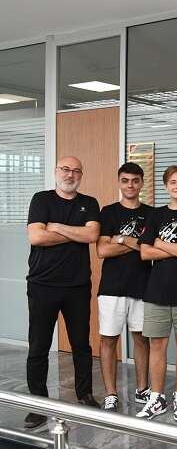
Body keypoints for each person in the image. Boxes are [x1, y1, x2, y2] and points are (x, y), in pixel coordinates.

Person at [25, 156, 101, 428]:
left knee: (81, 345)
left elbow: (92, 236)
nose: (70, 175)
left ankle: (85, 395)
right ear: (56, 171)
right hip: (42, 285)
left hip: (77, 286)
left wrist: (56, 227)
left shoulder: (89, 203)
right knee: (38, 346)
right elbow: (36, 237)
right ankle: (37, 404)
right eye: (65, 169)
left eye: (76, 171)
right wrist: (75, 233)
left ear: (81, 175)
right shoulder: (41, 199)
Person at [136, 165, 177, 421]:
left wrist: (161, 243)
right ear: (165, 186)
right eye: (173, 182)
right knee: (157, 344)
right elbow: (144, 252)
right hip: (157, 291)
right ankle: (157, 398)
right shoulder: (156, 215)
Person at [96, 162, 153, 412]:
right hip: (112, 288)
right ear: (119, 182)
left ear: (141, 183)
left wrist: (120, 239)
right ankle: (111, 393)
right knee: (109, 340)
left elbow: (149, 249)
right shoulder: (108, 212)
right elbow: (102, 250)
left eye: (135, 180)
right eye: (125, 180)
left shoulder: (152, 214)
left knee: (141, 339)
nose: (130, 185)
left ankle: (142, 389)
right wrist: (135, 243)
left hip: (143, 286)